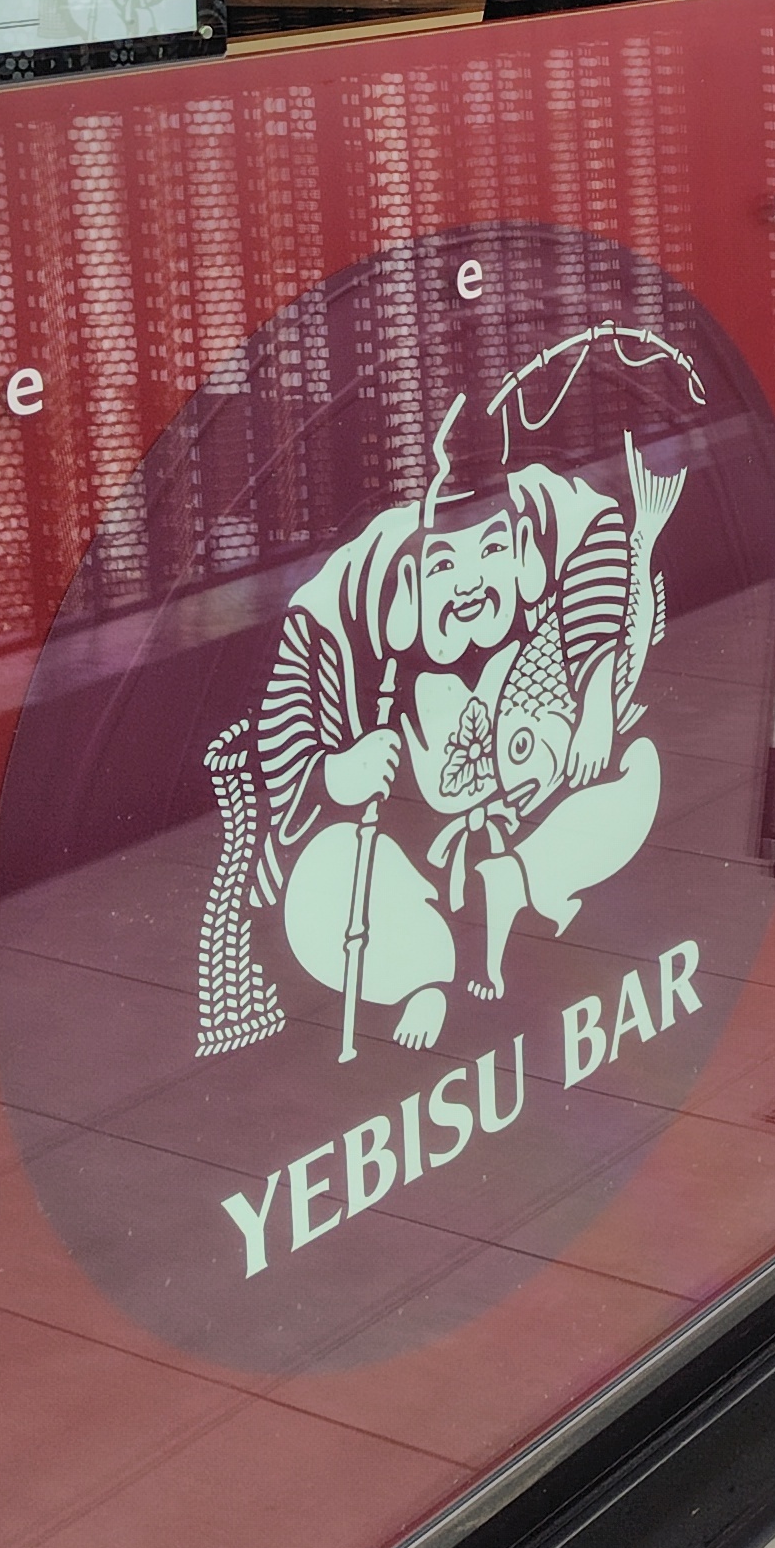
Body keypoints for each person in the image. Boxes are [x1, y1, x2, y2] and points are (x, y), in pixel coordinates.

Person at [227, 391, 678, 1056]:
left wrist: (594, 698)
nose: (468, 583)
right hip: (409, 858)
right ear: (410, 575)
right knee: (324, 882)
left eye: (489, 550)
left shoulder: (544, 511)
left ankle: (520, 881)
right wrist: (336, 773)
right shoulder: (354, 590)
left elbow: (602, 530)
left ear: (520, 549)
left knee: (636, 772)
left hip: (531, 816)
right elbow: (290, 703)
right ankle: (423, 971)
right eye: (443, 563)